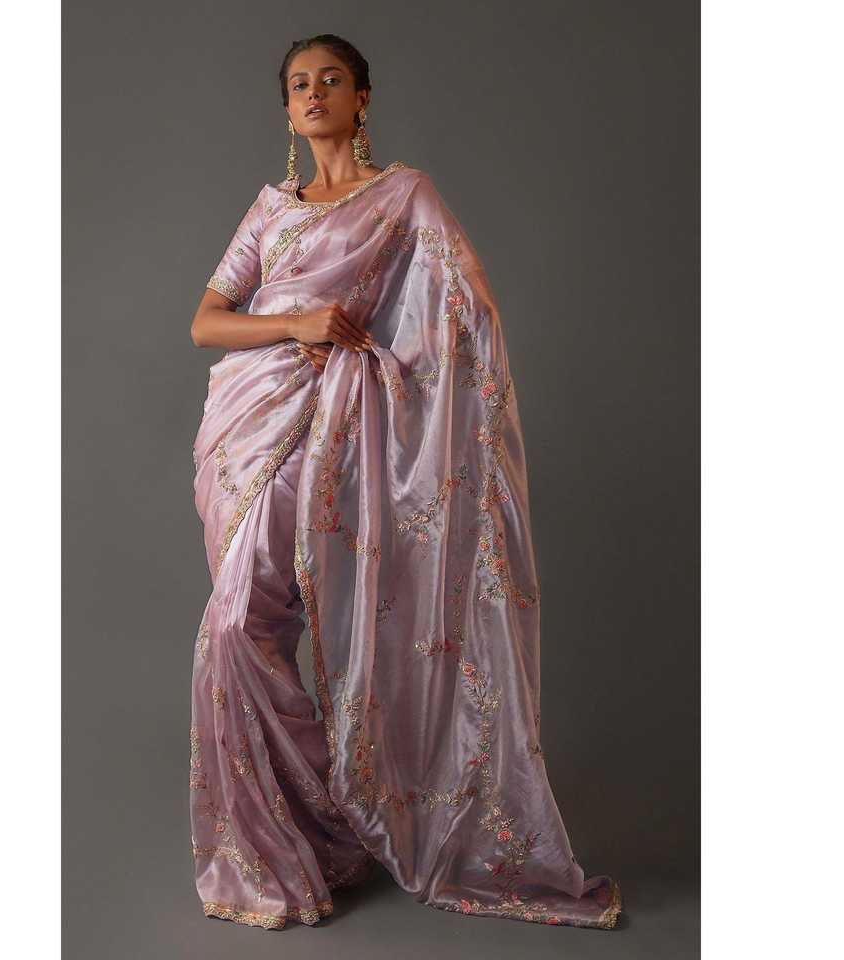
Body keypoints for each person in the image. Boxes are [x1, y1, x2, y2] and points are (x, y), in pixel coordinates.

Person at [187, 33, 623, 931]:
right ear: (287, 111)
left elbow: (462, 312)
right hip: (246, 431)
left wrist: (374, 368)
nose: (313, 93)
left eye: (331, 80)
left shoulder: (405, 197)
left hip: (341, 432)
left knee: (249, 623)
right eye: (298, 85)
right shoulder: (270, 209)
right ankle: (297, 837)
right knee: (239, 627)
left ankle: (318, 827)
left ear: (363, 99)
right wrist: (297, 323)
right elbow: (206, 322)